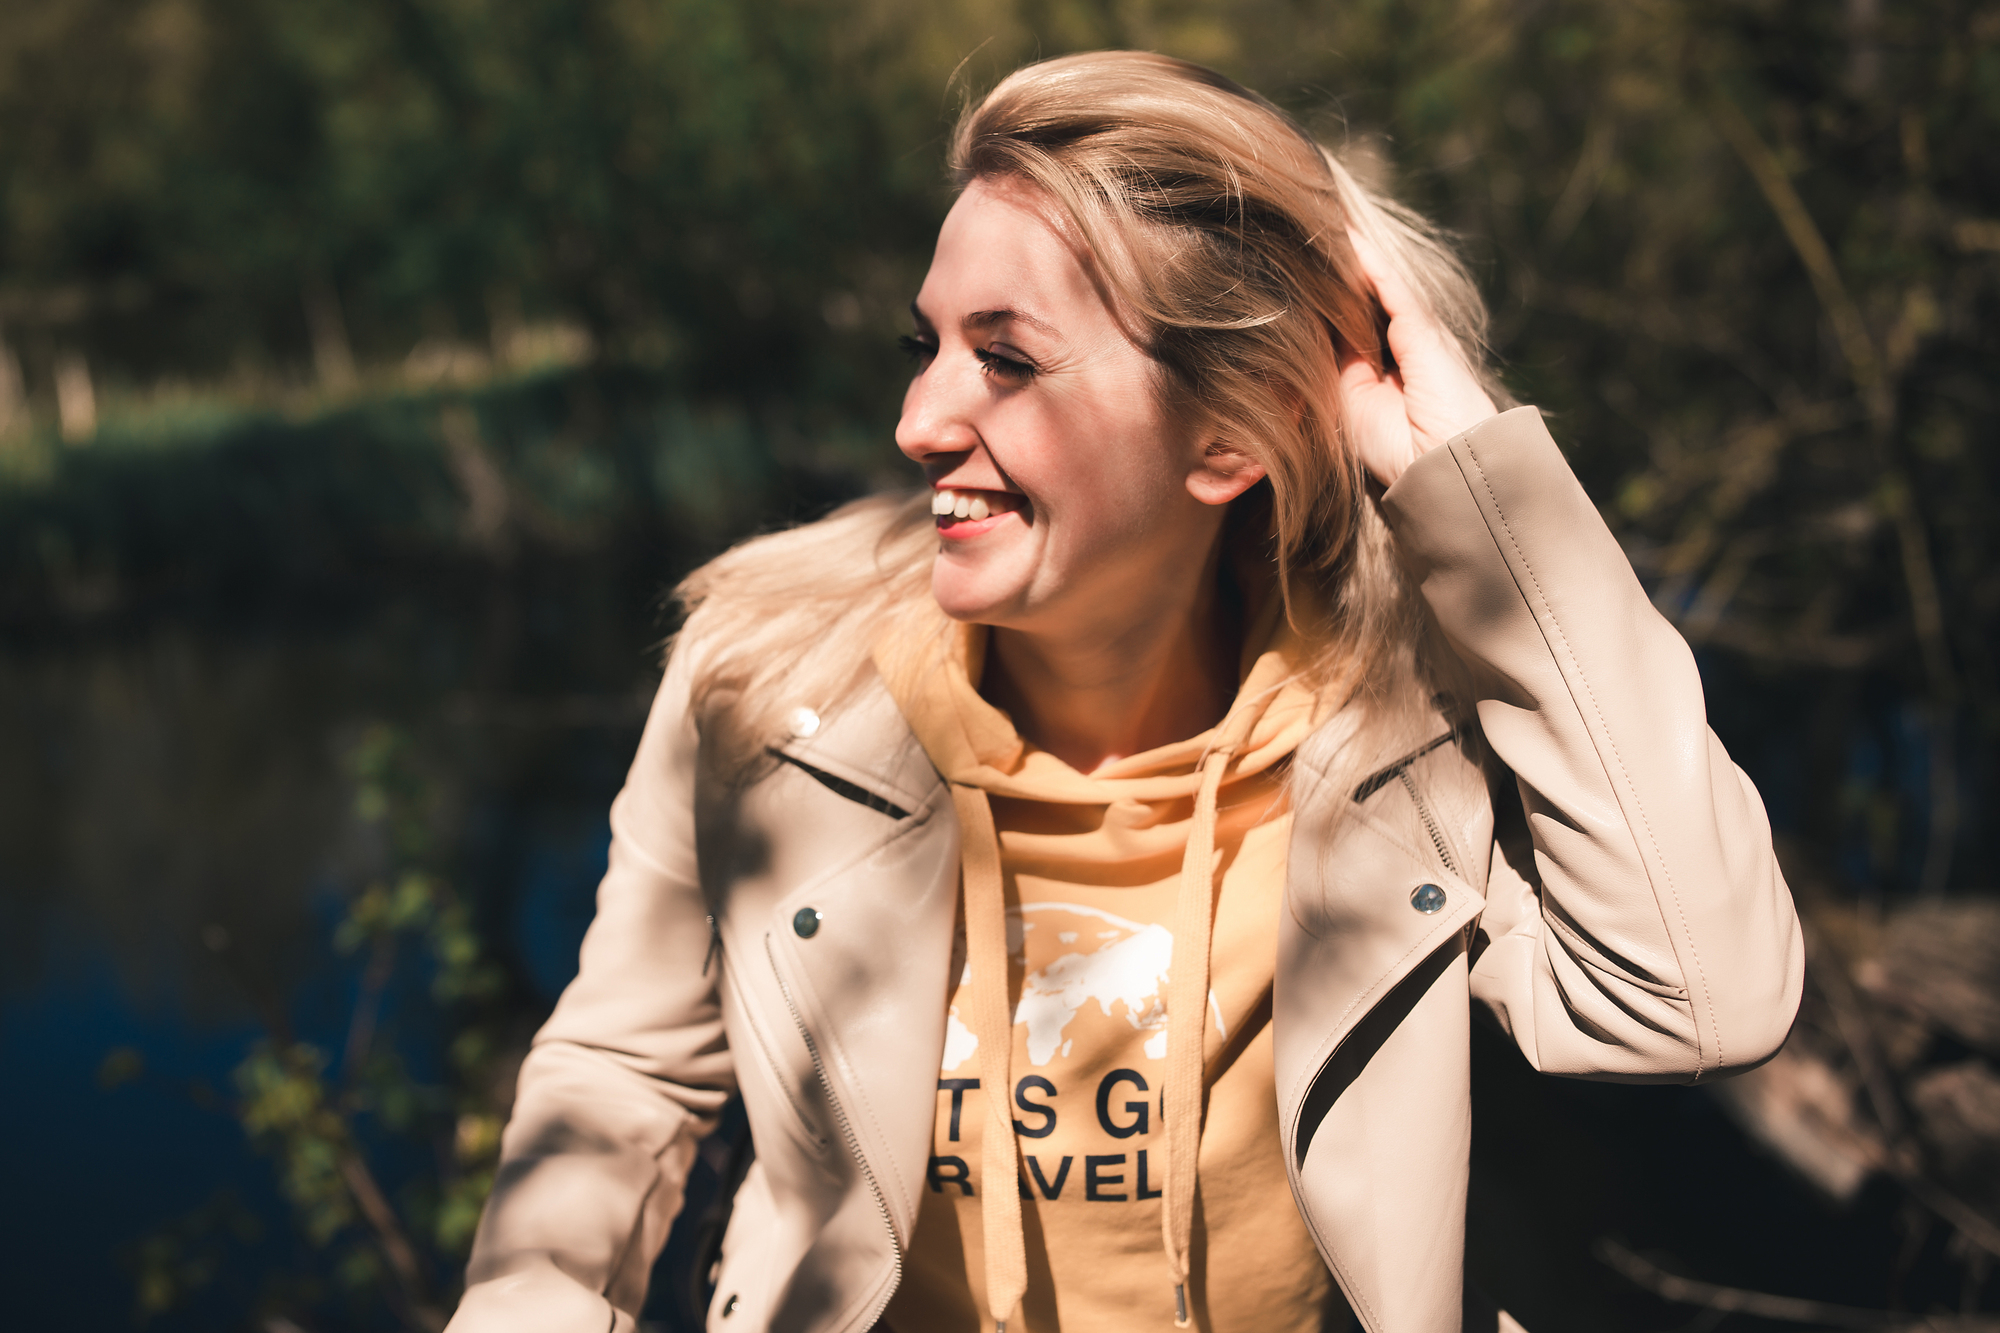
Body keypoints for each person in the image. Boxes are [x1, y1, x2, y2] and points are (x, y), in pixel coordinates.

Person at [443, 51, 1803, 1333]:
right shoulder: (766, 685)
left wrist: (1487, 493)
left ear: (1229, 440)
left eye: (1008, 359)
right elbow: (623, 1079)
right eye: (929, 346)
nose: (920, 419)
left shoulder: (1405, 727)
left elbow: (1701, 994)